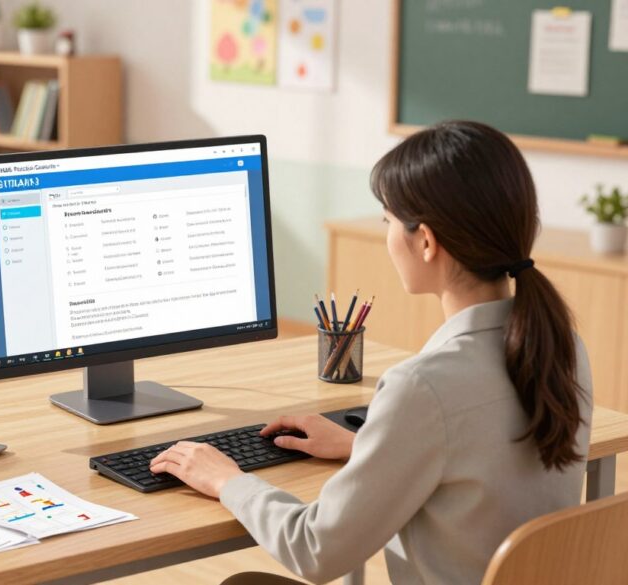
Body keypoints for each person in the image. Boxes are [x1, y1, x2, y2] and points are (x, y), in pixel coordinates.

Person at [149, 121, 593, 585]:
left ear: (425, 241)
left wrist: (226, 479)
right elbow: (479, 459)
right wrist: (369, 447)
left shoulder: (424, 386)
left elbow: (315, 550)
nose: (386, 234)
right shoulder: (563, 348)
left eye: (387, 220)